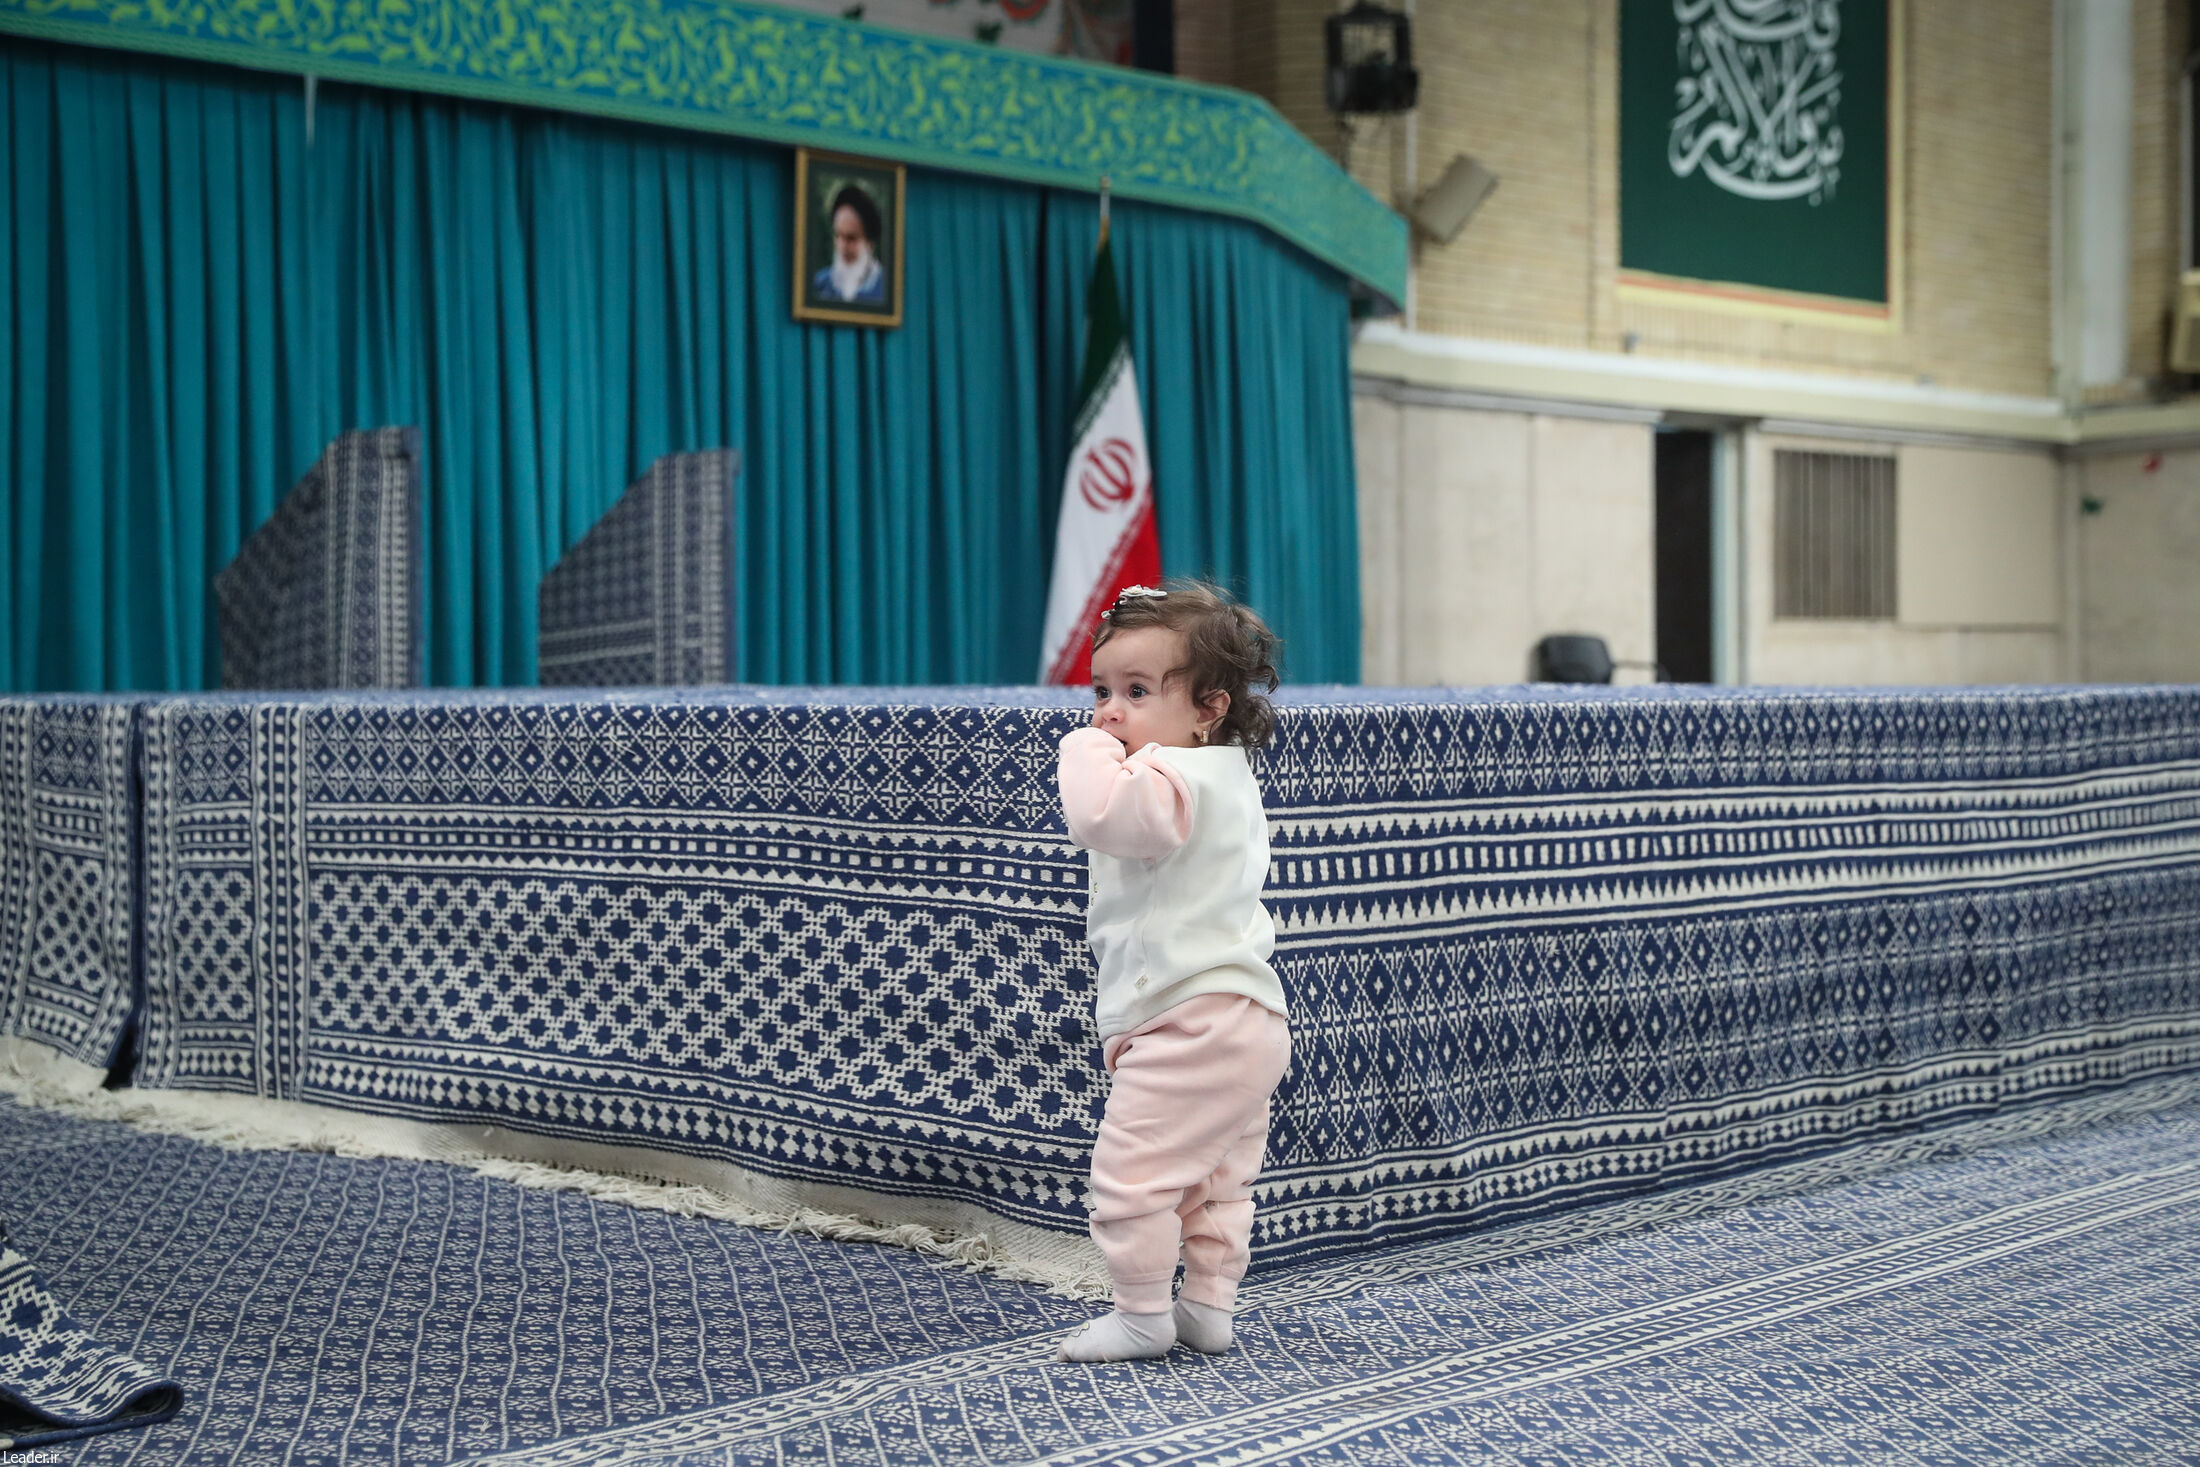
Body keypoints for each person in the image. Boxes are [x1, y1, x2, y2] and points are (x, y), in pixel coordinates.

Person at [1052, 579, 1291, 1362]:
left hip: (1190, 1020)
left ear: (1207, 708)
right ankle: (1208, 1306)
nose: (1108, 712)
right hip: (1247, 1017)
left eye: (1136, 692)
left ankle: (1143, 1314)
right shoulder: (1226, 772)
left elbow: (1101, 815)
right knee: (1219, 1180)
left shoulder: (1169, 777)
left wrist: (1083, 747)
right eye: (1100, 692)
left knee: (1133, 1175)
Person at [810, 183, 888, 305]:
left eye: (851, 238)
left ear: (870, 243)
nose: (842, 246)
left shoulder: (887, 289)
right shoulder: (819, 285)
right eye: (838, 235)